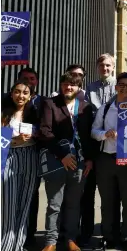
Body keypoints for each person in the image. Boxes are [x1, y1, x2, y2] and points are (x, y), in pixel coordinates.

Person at [39, 72, 94, 251]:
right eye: (65, 84)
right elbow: (46, 132)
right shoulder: (50, 104)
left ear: (79, 87)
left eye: (72, 84)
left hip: (79, 164)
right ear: (61, 85)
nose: (68, 87)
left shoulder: (86, 107)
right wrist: (62, 154)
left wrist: (90, 159)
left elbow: (88, 137)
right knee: (54, 204)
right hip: (57, 161)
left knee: (73, 204)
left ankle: (71, 238)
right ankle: (50, 242)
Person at [92, 72, 127, 251]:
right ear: (116, 87)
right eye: (122, 84)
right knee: (108, 201)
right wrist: (105, 134)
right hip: (107, 159)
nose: (125, 88)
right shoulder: (105, 108)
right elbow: (94, 131)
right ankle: (109, 236)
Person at [79, 53, 118, 246]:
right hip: (93, 143)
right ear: (97, 67)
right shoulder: (90, 88)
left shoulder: (120, 86)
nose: (105, 68)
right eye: (102, 65)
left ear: (113, 67)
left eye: (108, 65)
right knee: (88, 191)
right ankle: (86, 232)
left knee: (111, 194)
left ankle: (110, 233)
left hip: (113, 145)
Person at [1, 80, 39, 251]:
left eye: (25, 93)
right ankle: (6, 245)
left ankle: (19, 245)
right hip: (9, 157)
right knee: (9, 203)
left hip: (30, 157)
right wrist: (15, 140)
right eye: (17, 92)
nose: (20, 96)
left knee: (25, 204)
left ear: (30, 96)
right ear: (11, 93)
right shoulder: (4, 113)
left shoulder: (34, 114)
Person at [15, 67, 46, 247]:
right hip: (12, 153)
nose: (29, 81)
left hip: (37, 153)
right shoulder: (8, 100)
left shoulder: (45, 102)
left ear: (37, 82)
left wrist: (36, 133)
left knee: (31, 196)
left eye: (32, 79)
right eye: (25, 78)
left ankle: (29, 236)